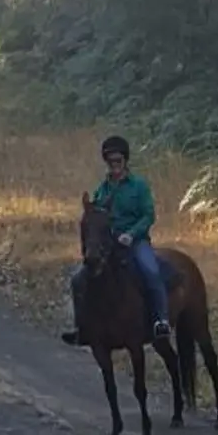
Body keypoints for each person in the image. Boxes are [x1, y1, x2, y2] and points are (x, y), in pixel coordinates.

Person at [59, 135, 171, 347]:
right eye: (111, 162)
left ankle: (161, 321)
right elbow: (96, 218)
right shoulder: (102, 190)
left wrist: (132, 233)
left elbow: (148, 215)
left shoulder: (139, 186)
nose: (115, 166)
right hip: (110, 244)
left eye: (118, 161)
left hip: (135, 241)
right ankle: (82, 328)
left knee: (151, 271)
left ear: (125, 161)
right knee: (78, 281)